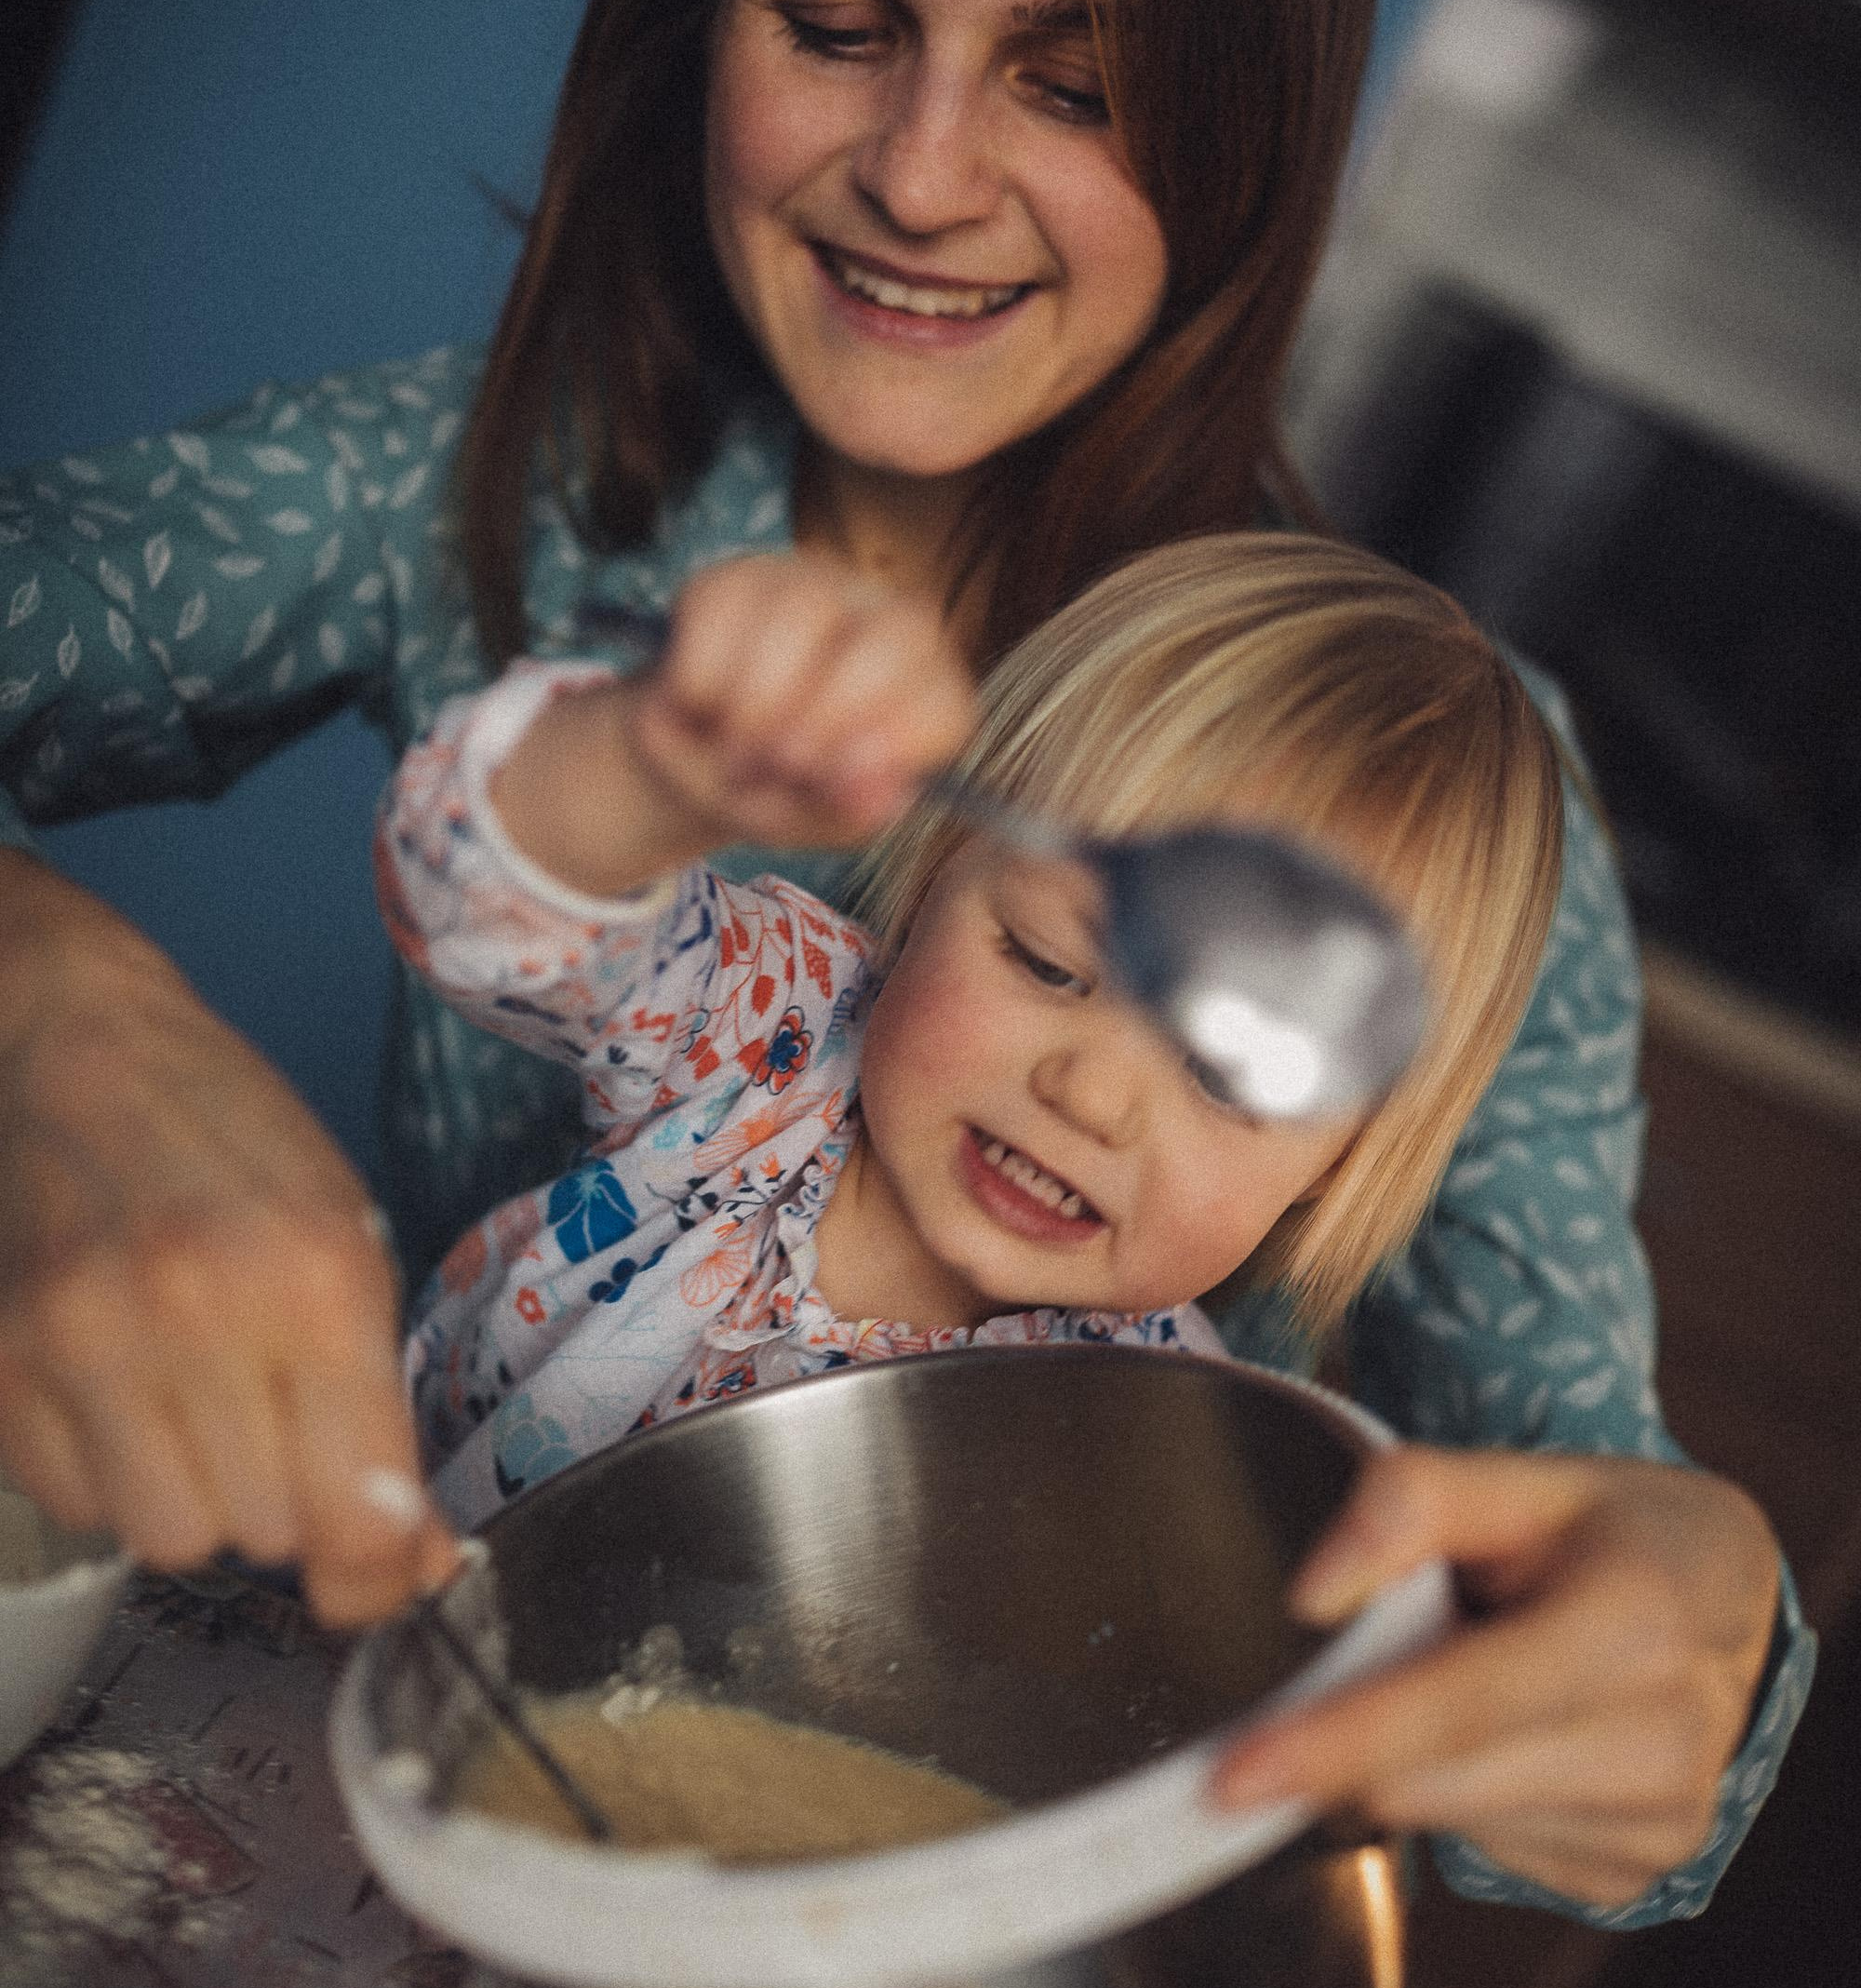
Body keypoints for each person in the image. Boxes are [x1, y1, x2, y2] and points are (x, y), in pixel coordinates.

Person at [0, 0, 1806, 1928]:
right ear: (702, 13)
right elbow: (522, 900)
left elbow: (1572, 1671)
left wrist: (1677, 1616)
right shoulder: (688, 855)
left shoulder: (1435, 832)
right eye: (834, 20)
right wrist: (61, 1013)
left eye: (1077, 79)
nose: (925, 176)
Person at [380, 533, 1563, 1531]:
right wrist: (651, 762)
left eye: (1221, 1073)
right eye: (1047, 963)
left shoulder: (1159, 1463)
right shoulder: (763, 1029)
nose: (1088, 1096)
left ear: (1338, 1163)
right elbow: (482, 898)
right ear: (938, 869)